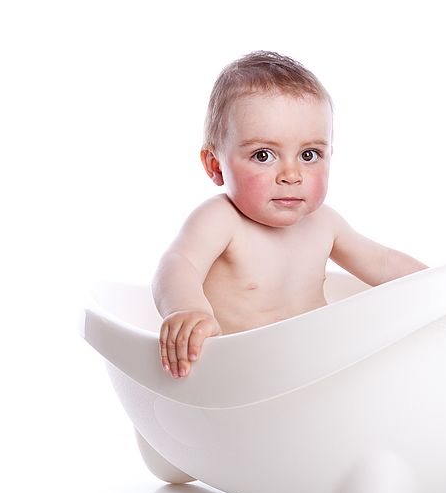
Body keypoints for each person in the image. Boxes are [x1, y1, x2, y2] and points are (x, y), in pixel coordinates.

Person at [152, 51, 427, 379]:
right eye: (264, 155)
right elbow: (179, 264)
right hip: (239, 379)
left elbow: (382, 263)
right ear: (215, 165)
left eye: (309, 155)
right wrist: (187, 309)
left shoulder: (325, 223)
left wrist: (441, 285)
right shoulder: (220, 220)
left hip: (312, 375)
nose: (291, 174)